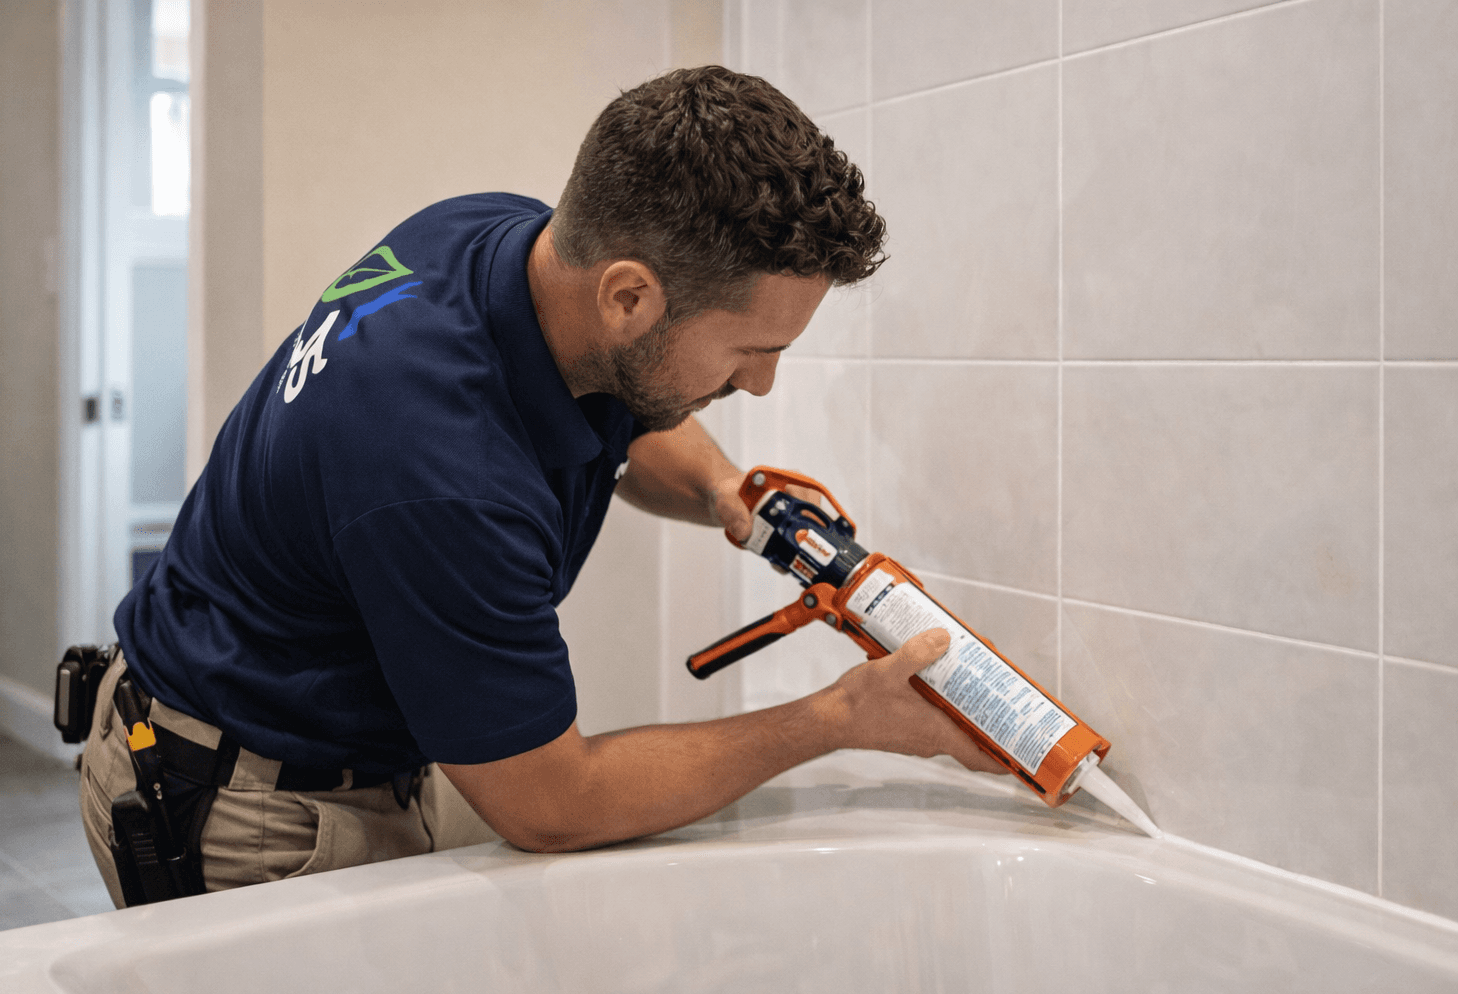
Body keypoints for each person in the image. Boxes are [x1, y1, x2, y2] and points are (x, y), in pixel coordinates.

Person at [79, 65, 1005, 907]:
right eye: (752, 351)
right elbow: (552, 803)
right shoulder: (439, 471)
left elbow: (623, 403)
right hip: (242, 801)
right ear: (630, 297)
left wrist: (728, 491)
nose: (760, 385)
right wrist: (838, 717)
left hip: (337, 738)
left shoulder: (498, 241)